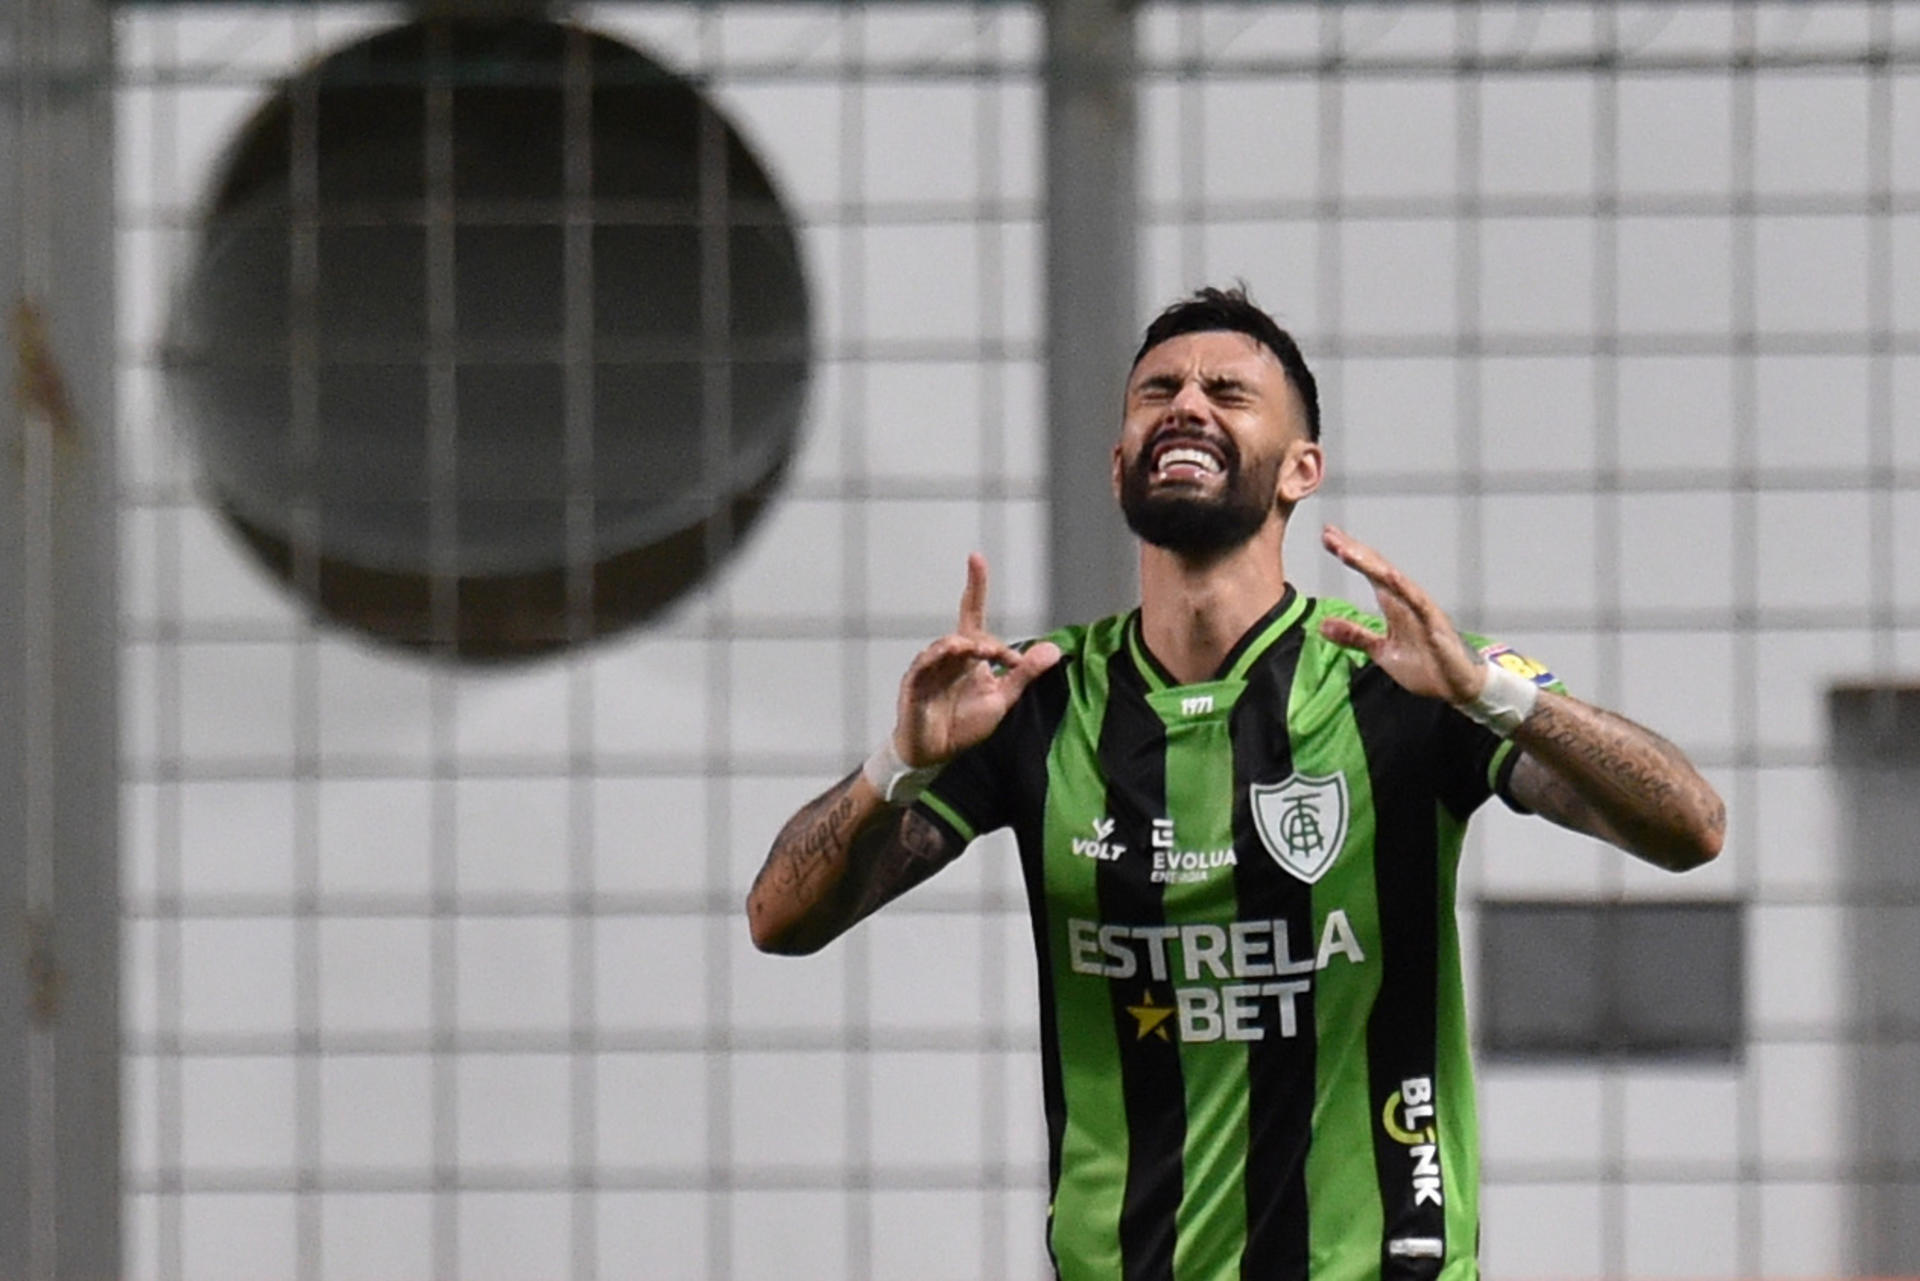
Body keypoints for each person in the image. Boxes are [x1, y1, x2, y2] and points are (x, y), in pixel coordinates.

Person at [745, 286, 1725, 1280]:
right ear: (1120, 460)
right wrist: (899, 766)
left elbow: (1692, 827)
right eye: (1157, 390)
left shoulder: (1405, 681)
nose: (1186, 405)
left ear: (1303, 470)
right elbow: (779, 918)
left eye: (1229, 391)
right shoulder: (1032, 700)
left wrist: (1490, 694)